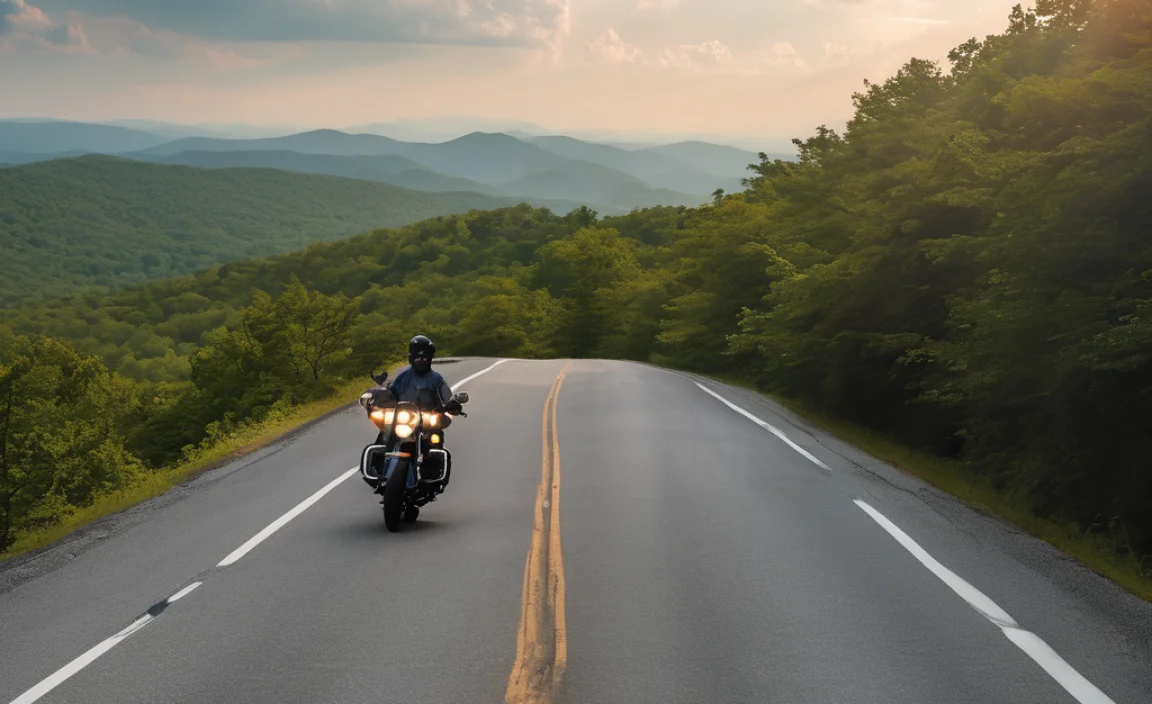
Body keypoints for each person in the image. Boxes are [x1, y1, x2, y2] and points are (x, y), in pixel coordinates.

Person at [386, 335, 453, 409]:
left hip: (432, 417)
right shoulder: (402, 378)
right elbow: (390, 396)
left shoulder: (437, 379)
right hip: (405, 417)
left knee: (446, 419)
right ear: (411, 358)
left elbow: (448, 397)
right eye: (417, 358)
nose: (420, 361)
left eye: (424, 358)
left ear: (430, 358)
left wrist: (453, 404)